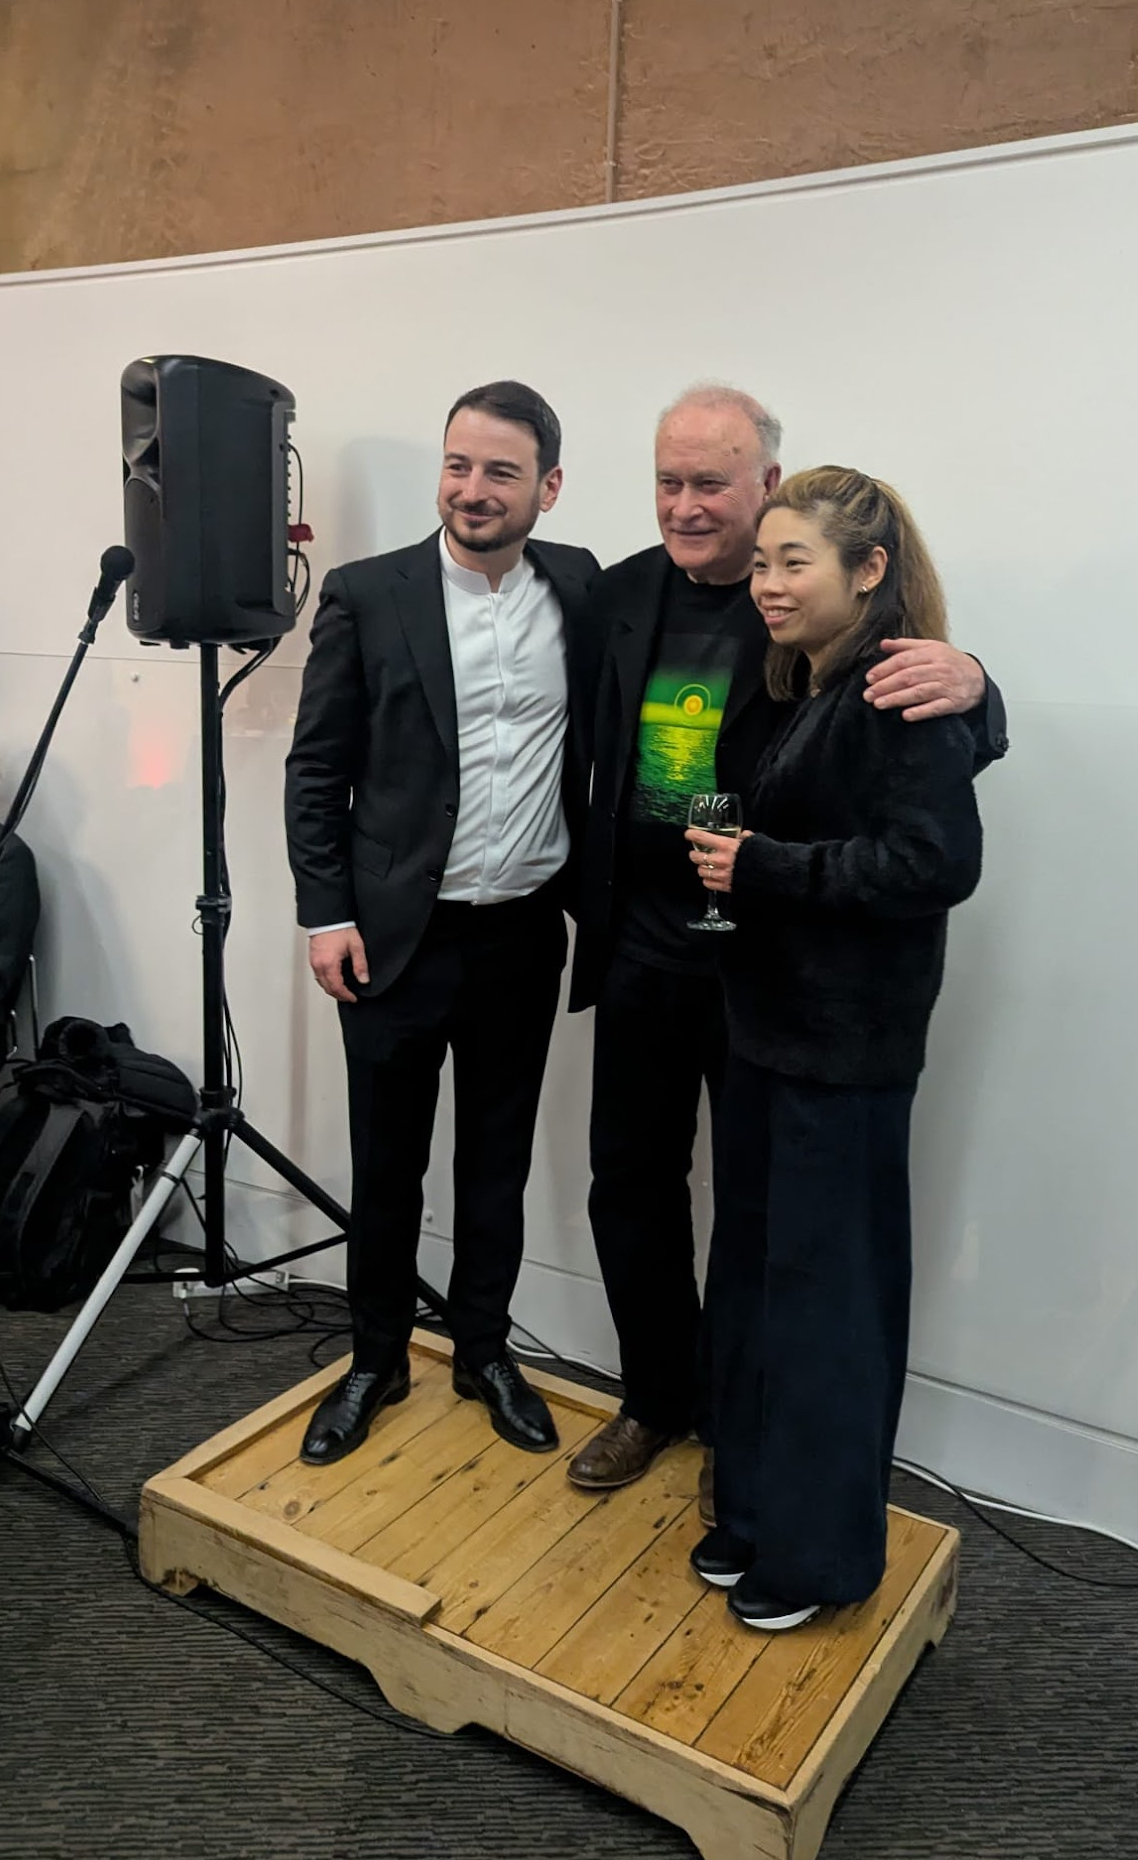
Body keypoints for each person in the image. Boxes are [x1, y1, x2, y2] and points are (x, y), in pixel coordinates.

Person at [566, 386, 1006, 1503]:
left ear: (767, 485)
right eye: (669, 481)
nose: (685, 504)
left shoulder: (824, 616)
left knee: (763, 1221)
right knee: (630, 1183)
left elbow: (914, 742)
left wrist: (983, 688)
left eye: (710, 482)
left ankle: (742, 1434)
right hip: (645, 954)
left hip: (769, 964)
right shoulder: (611, 596)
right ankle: (657, 1400)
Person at [684, 466, 982, 1630]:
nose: (765, 582)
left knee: (828, 1313)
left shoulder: (904, 689)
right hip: (765, 1038)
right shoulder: (798, 681)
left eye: (790, 560)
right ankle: (757, 1511)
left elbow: (935, 866)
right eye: (759, 561)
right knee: (757, 1292)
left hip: (845, 1058)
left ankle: (821, 1559)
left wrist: (766, 868)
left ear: (869, 571)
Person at [284, 381, 600, 1466]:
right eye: (458, 465)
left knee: (496, 1162)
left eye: (500, 471)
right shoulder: (370, 594)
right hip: (392, 938)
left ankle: (482, 1351)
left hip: (521, 935)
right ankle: (374, 1357)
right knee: (387, 1163)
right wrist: (323, 915)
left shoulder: (583, 585)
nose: (471, 489)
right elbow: (317, 768)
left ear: (547, 488)